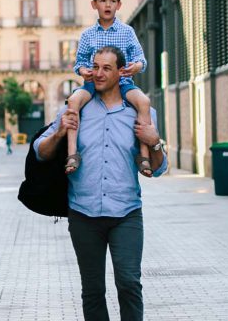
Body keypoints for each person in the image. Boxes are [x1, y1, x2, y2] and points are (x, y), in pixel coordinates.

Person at [34, 46, 166, 321]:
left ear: (121, 72)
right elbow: (40, 151)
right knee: (92, 290)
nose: (99, 73)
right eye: (95, 67)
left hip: (126, 213)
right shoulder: (76, 108)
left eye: (107, 68)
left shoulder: (141, 112)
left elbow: (159, 167)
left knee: (129, 283)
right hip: (83, 214)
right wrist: (59, 133)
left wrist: (154, 142)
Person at [63, 0, 154, 175]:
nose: (108, 5)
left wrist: (136, 67)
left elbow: (141, 58)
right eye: (103, 0)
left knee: (144, 102)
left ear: (119, 5)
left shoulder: (127, 32)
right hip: (92, 84)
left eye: (113, 1)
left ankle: (144, 155)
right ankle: (72, 154)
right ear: (94, 4)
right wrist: (83, 72)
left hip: (124, 83)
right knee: (73, 101)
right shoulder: (88, 35)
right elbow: (78, 63)